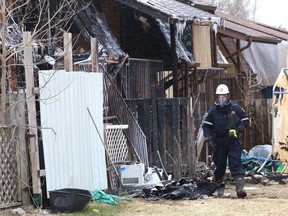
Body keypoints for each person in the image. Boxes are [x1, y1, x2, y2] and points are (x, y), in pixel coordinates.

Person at [202, 84, 249, 198]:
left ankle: (240, 190)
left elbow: (245, 120)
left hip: (233, 142)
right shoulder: (213, 110)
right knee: (219, 166)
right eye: (219, 97)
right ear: (217, 97)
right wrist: (209, 139)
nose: (222, 99)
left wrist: (237, 130)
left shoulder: (235, 108)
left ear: (228, 96)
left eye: (224, 97)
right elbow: (206, 126)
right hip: (219, 142)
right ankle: (220, 189)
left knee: (235, 164)